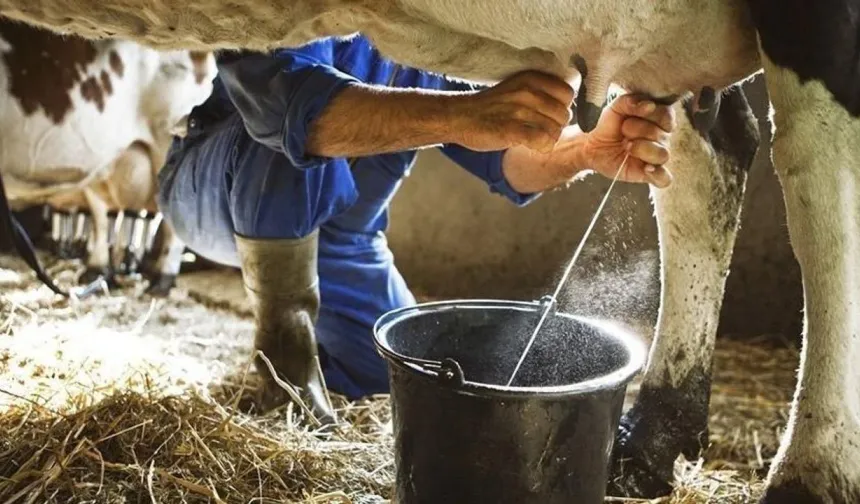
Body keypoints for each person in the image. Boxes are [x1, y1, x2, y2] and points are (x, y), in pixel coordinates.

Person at [157, 34, 676, 423]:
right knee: (290, 136)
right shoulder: (301, 12)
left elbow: (509, 160)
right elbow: (290, 110)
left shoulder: (427, 34)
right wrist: (466, 115)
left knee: (400, 376)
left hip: (343, 244)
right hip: (214, 187)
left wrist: (585, 150)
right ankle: (283, 364)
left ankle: (326, 356)